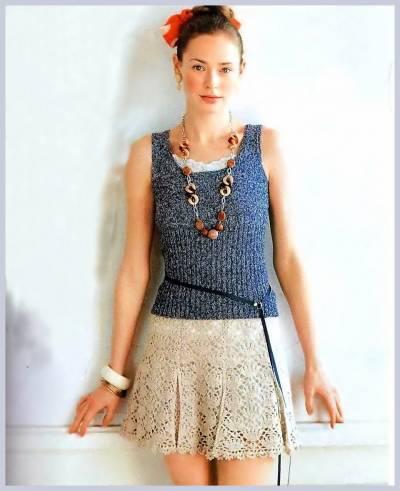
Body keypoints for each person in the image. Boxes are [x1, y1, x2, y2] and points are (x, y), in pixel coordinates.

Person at [68, 5, 345, 486]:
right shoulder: (146, 154)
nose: (211, 81)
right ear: (177, 66)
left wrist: (315, 364)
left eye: (224, 68)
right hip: (174, 350)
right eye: (198, 66)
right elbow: (134, 269)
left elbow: (289, 259)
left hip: (249, 349)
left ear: (241, 70)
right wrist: (113, 379)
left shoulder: (266, 147)